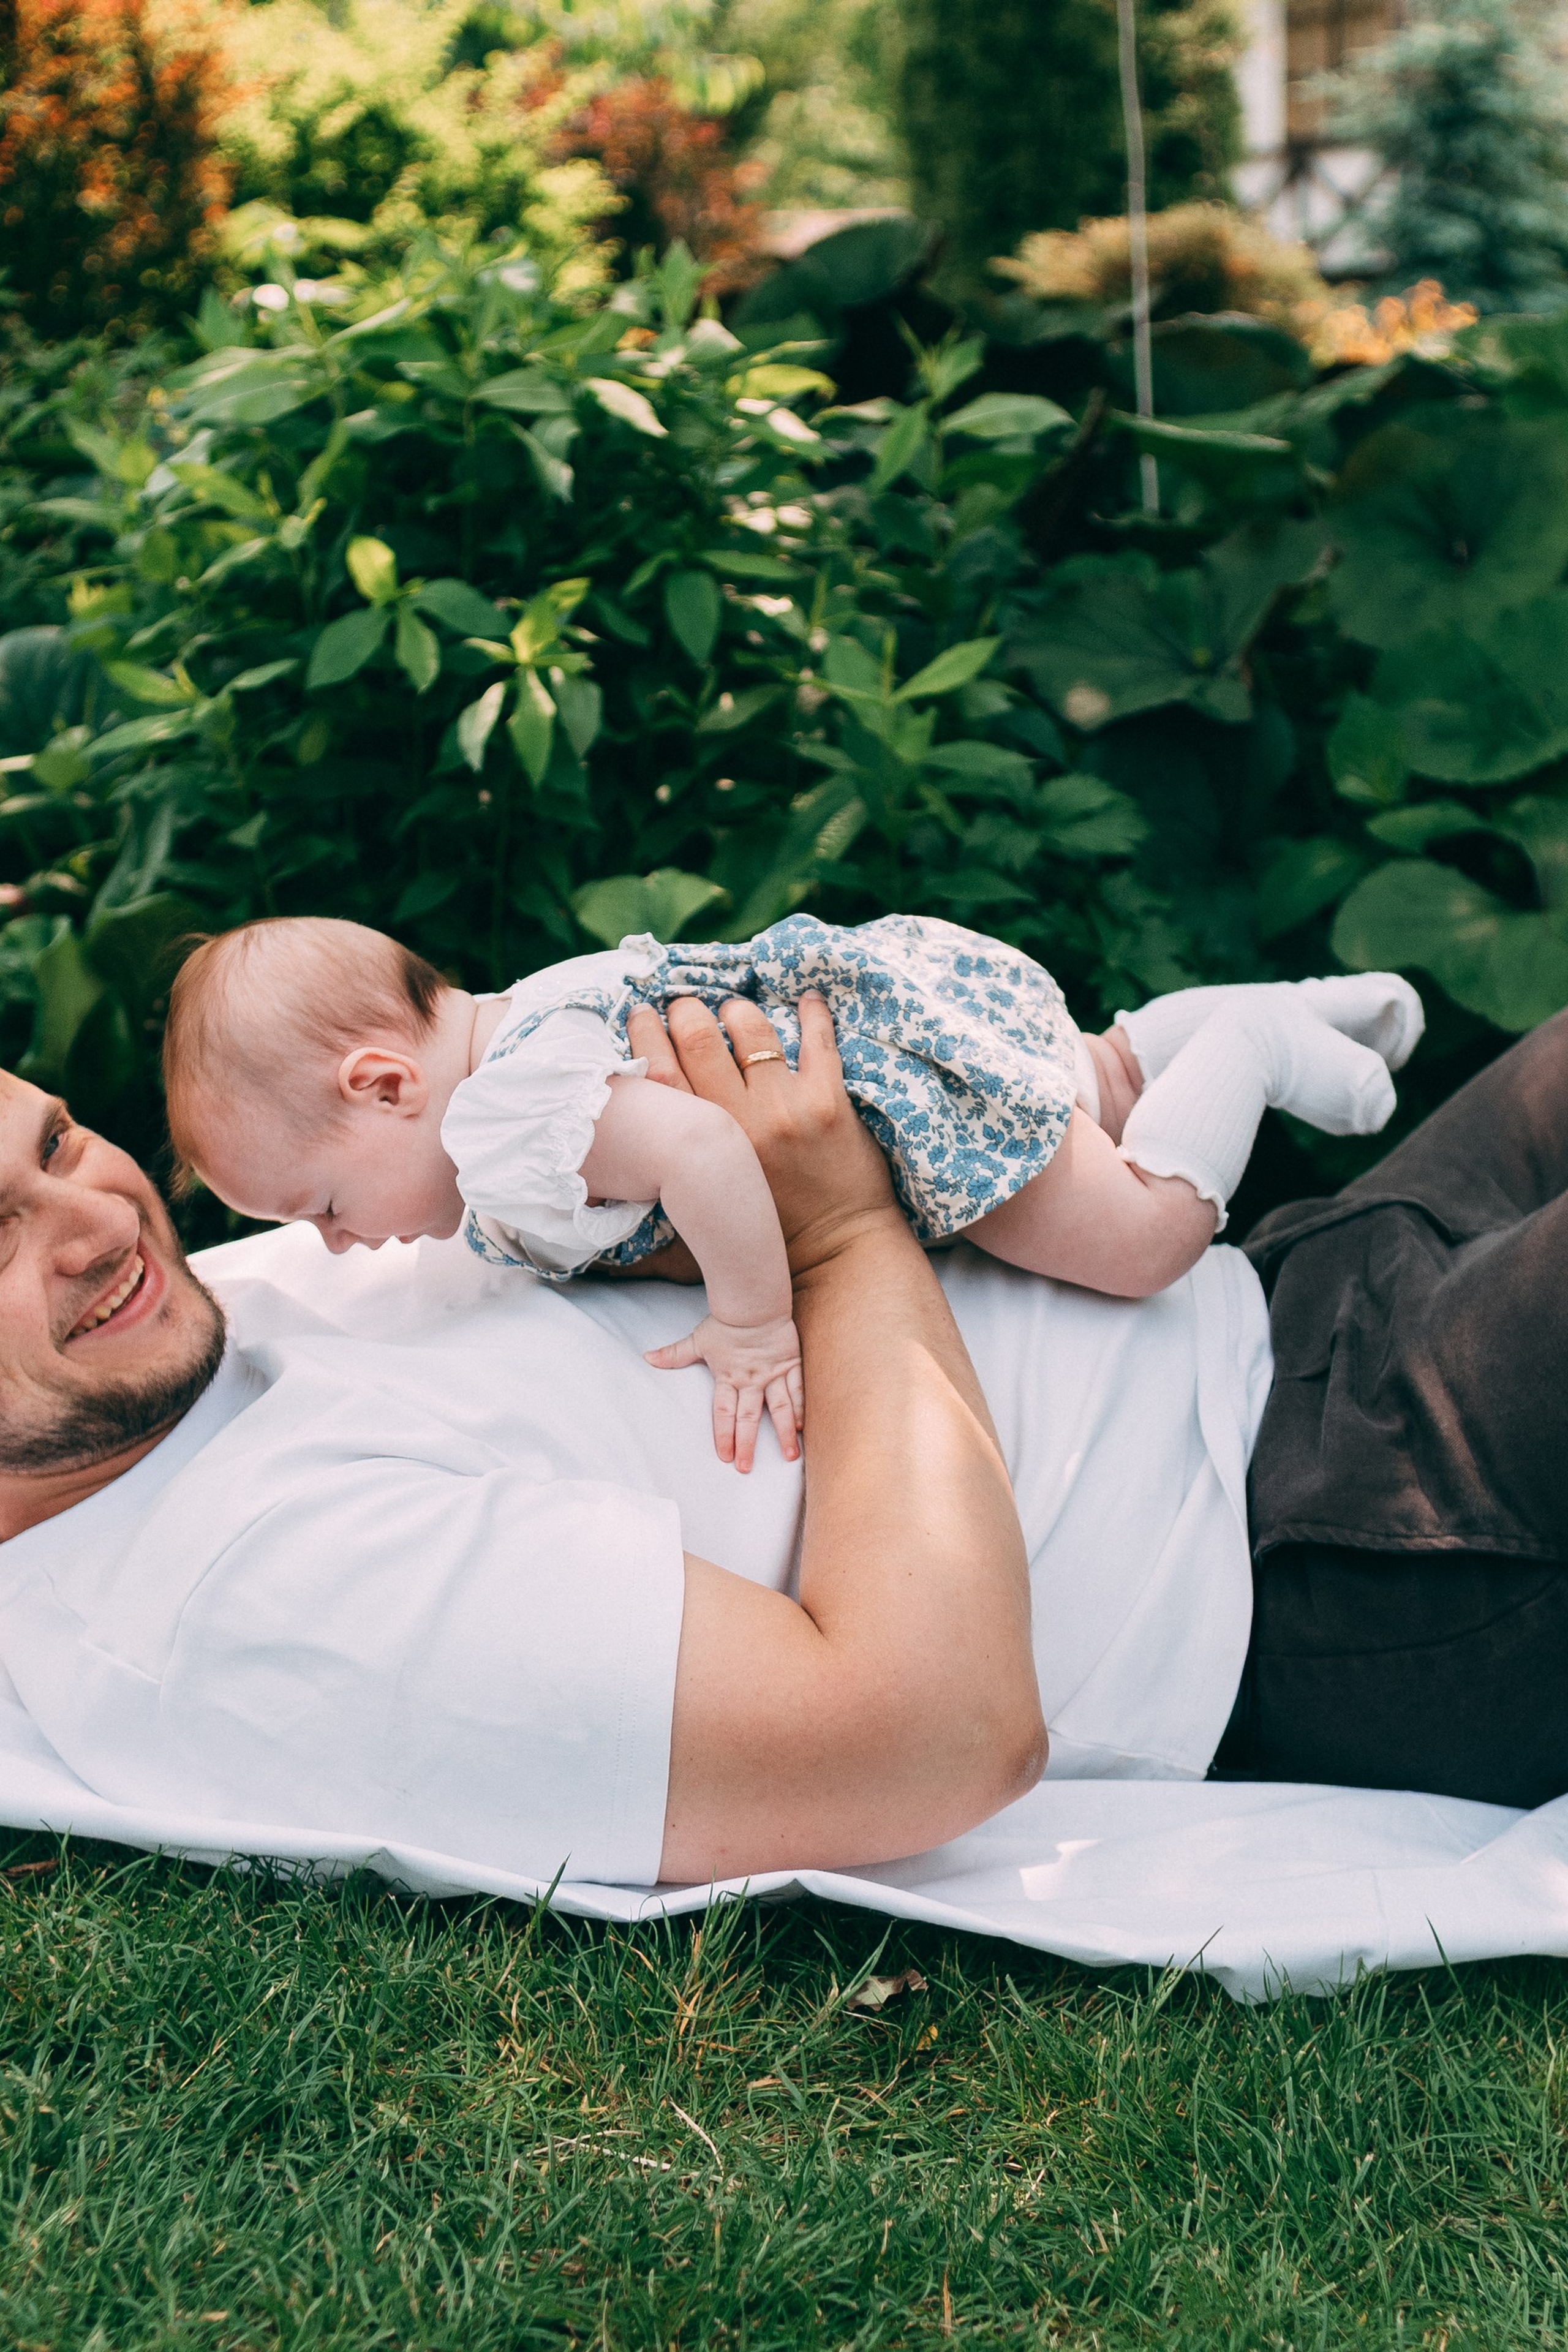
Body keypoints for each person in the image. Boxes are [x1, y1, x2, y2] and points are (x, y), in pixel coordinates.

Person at [0, 988, 1562, 1899]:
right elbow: (928, 1735)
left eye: (58, 1143)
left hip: (1286, 1282)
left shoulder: (217, 1317)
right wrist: (827, 1225)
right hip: (1328, 1532)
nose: (89, 1225)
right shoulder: (247, 1593)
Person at [159, 911, 1420, 1470]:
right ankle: (1248, 1014)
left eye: (320, 1205)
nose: (333, 1245)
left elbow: (702, 1157)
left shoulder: (505, 1123)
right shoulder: (520, 1027)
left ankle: (1245, 1053)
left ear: (382, 1085)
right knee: (1090, 1076)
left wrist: (755, 1319)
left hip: (888, 1097)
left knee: (1143, 1236)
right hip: (899, 996)